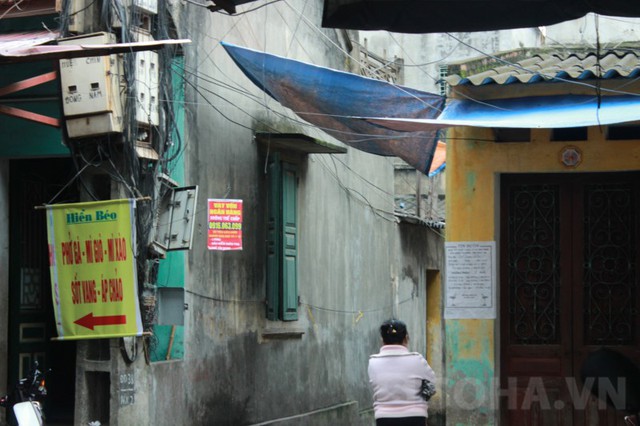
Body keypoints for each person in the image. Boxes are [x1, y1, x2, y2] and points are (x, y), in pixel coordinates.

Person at [368, 319, 436, 426]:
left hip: (384, 418)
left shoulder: (373, 362)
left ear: (382, 340)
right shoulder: (417, 360)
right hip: (415, 417)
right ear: (406, 338)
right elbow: (431, 383)